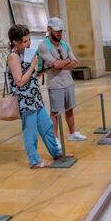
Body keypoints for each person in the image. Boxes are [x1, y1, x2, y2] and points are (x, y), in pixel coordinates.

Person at [7, 25, 68, 169]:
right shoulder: (13, 56)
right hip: (25, 102)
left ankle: (56, 152)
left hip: (35, 98)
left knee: (47, 127)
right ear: (15, 42)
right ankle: (34, 161)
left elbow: (32, 76)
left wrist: (38, 67)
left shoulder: (25, 54)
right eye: (24, 41)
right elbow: (20, 81)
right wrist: (32, 65)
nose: (28, 44)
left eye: (29, 40)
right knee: (31, 132)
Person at [37, 17, 87, 150]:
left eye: (61, 31)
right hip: (55, 84)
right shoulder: (43, 45)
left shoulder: (65, 44)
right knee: (55, 112)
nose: (59, 33)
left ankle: (72, 133)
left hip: (68, 82)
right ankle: (55, 139)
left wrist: (61, 63)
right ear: (49, 30)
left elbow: (75, 62)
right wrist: (65, 61)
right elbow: (56, 64)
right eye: (57, 31)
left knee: (70, 109)